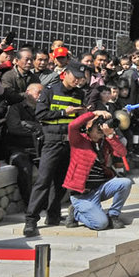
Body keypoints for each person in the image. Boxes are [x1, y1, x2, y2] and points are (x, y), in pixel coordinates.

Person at [24, 62, 88, 237]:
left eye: (80, 78)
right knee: (43, 181)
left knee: (61, 183)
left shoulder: (80, 94)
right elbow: (41, 115)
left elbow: (77, 120)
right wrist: (63, 113)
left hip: (69, 143)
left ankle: (53, 215)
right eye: (75, 76)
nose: (78, 80)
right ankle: (31, 220)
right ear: (65, 74)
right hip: (51, 141)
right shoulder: (50, 90)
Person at [63, 110, 133, 231]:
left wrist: (110, 135)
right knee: (100, 224)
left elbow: (122, 152)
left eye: (102, 126)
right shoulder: (79, 140)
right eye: (98, 126)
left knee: (125, 183)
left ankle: (113, 215)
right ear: (89, 127)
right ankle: (75, 213)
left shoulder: (104, 143)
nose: (101, 129)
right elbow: (72, 126)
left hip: (100, 189)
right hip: (82, 195)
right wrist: (93, 113)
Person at [5, 82, 44, 206]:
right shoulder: (16, 108)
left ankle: (46, 203)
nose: (41, 96)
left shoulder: (43, 109)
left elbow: (47, 128)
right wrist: (36, 130)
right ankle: (29, 205)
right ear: (28, 93)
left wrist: (30, 126)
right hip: (19, 148)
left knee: (51, 168)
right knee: (25, 169)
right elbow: (14, 128)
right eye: (39, 92)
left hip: (38, 147)